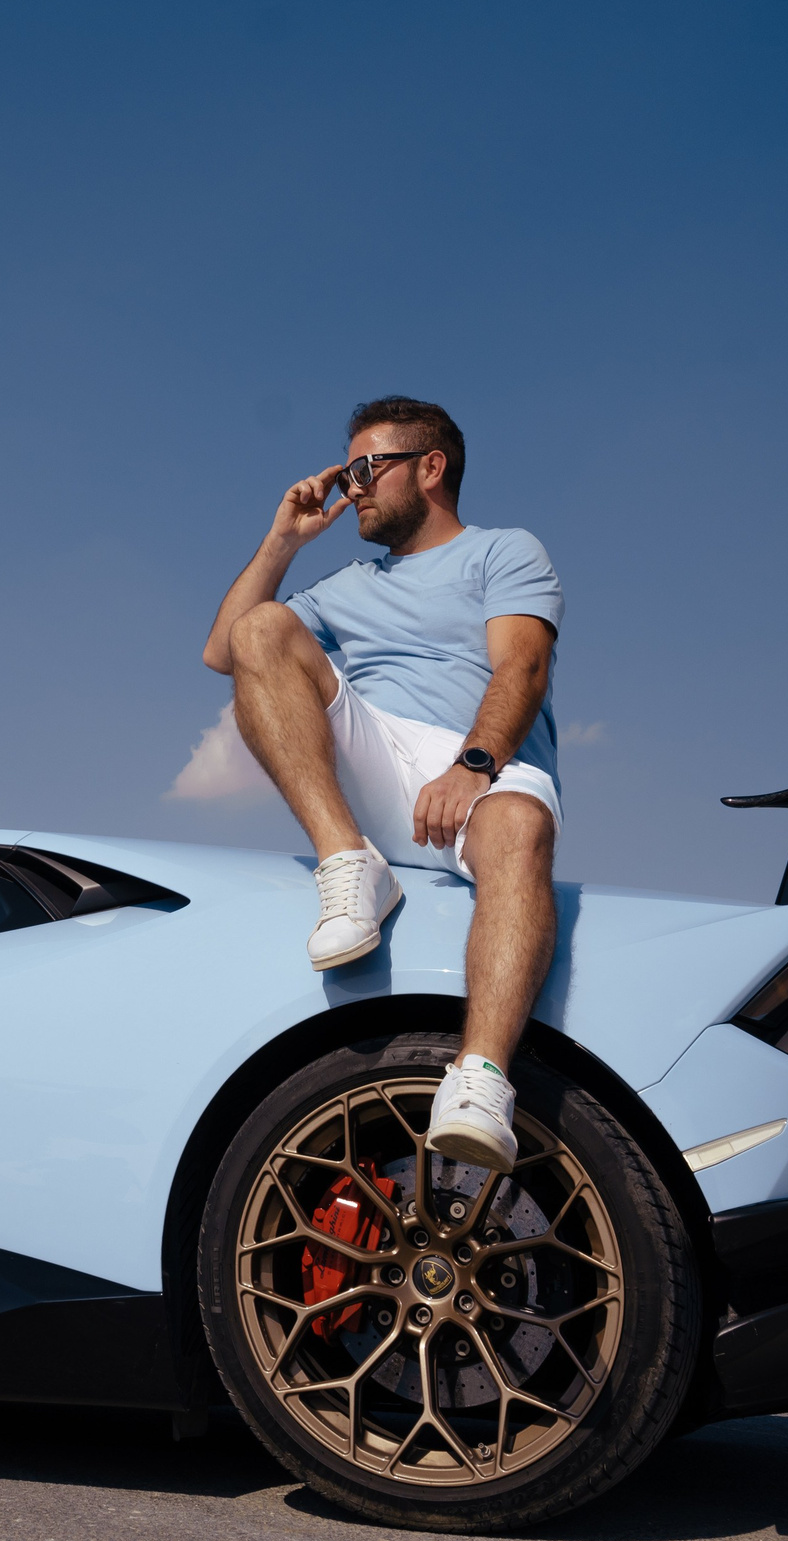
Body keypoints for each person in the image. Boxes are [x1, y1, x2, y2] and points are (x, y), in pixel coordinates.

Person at [201, 395, 562, 1172]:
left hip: (478, 762)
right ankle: (349, 860)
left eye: (368, 468)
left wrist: (473, 765)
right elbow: (224, 652)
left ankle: (481, 1080)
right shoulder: (348, 584)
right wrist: (281, 540)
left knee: (521, 830)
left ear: (430, 467)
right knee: (261, 628)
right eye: (349, 470)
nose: (353, 486)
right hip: (378, 749)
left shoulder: (503, 551)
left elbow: (521, 665)